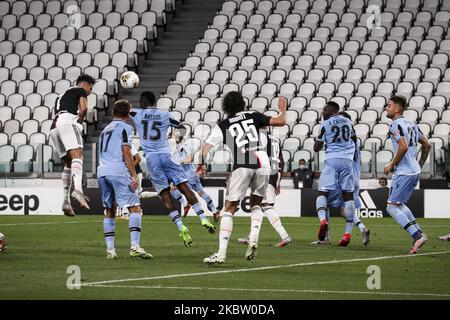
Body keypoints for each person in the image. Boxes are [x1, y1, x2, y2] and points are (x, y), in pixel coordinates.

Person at [201, 92, 287, 265]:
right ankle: (254, 237)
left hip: (242, 164)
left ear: (225, 106)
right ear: (242, 104)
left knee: (229, 209)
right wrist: (283, 108)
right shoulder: (253, 115)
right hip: (263, 163)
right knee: (257, 204)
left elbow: (205, 149)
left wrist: (201, 164)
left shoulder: (222, 125)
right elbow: (281, 121)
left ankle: (221, 254)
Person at [129, 91, 216, 247]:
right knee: (184, 186)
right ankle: (203, 217)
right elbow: (182, 127)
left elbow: (123, 108)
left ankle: (180, 226)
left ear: (142, 102)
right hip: (166, 154)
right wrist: (176, 138)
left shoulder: (137, 113)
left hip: (152, 159)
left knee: (165, 194)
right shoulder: (164, 114)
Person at [97, 100, 152, 259]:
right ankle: (135, 247)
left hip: (102, 171)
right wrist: (134, 175)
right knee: (135, 207)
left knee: (110, 210)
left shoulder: (105, 130)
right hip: (118, 171)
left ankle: (110, 250)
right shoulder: (126, 128)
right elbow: (127, 153)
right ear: (128, 114)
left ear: (114, 112)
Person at [312, 111, 370, 246]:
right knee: (345, 210)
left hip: (339, 175)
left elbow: (319, 146)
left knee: (324, 202)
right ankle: (360, 229)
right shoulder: (352, 142)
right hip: (353, 177)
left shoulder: (338, 139)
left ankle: (325, 238)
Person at [384, 96, 430, 254]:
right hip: (414, 171)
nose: (386, 108)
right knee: (399, 204)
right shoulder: (412, 123)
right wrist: (420, 164)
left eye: (389, 105)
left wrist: (391, 163)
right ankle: (419, 233)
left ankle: (416, 235)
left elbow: (402, 147)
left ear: (397, 108)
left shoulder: (395, 124)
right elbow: (427, 145)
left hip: (403, 172)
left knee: (391, 207)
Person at [238, 127, 292, 247]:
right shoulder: (275, 139)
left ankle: (285, 236)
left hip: (265, 171)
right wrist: (279, 181)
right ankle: (252, 236)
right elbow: (282, 161)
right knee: (257, 205)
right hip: (275, 172)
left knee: (265, 206)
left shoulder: (260, 138)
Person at [50, 74, 95, 216]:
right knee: (78, 156)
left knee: (68, 164)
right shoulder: (80, 90)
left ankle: (66, 201)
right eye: (90, 88)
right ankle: (78, 190)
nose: (90, 91)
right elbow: (84, 108)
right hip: (68, 122)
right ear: (84, 84)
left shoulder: (61, 95)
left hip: (54, 127)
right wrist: (79, 122)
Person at [314, 101, 357, 247]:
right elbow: (354, 140)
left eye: (324, 110)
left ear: (332, 111)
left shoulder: (326, 124)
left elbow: (316, 147)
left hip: (332, 160)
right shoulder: (348, 122)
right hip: (347, 161)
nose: (322, 112)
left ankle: (323, 221)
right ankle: (347, 233)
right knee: (348, 195)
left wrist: (320, 142)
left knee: (322, 193)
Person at [170, 129, 221, 221]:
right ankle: (185, 204)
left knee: (201, 193)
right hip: (180, 175)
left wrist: (179, 161)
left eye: (176, 135)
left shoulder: (185, 146)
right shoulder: (174, 148)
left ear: (180, 136)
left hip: (190, 175)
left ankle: (214, 211)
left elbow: (190, 159)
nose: (174, 136)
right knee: (172, 189)